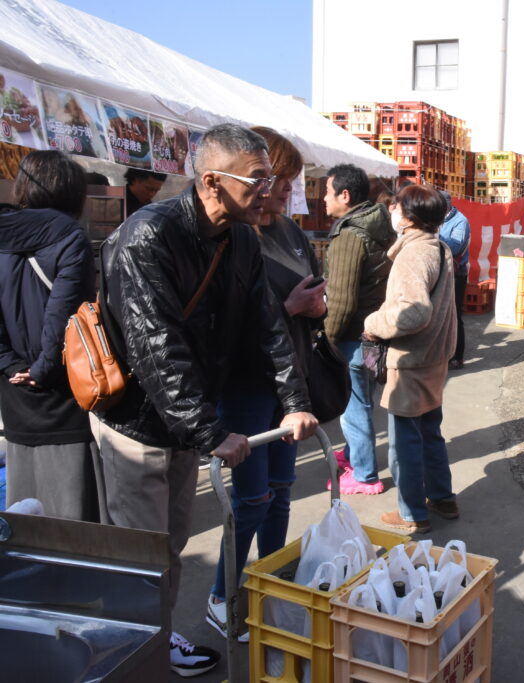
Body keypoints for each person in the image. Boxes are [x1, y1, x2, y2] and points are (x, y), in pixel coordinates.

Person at [92, 123, 318, 678]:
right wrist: (210, 432)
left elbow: (268, 325)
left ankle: (158, 642)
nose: (270, 190)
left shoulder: (240, 238)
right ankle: (130, 660)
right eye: (258, 179)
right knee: (138, 556)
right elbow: (156, 347)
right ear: (213, 181)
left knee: (169, 547)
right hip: (136, 424)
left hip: (181, 424)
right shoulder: (149, 236)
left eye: (273, 178)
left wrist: (294, 400)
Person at [206, 127, 327, 640]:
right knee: (250, 498)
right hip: (245, 384)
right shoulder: (235, 237)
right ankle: (221, 594)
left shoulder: (292, 232)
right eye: (273, 178)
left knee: (281, 492)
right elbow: (226, 322)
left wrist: (315, 308)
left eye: (288, 181)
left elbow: (314, 287)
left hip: (289, 381)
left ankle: (272, 580)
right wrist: (291, 307)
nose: (282, 189)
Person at [0, 150, 102, 522]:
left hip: (13, 390)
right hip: (64, 387)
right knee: (71, 510)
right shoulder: (70, 236)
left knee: (23, 509)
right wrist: (42, 369)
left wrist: (10, 363)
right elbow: (64, 315)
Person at [364, 184, 457, 535]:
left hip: (413, 359)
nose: (391, 211)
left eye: (395, 207)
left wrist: (374, 324)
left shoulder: (414, 253)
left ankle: (412, 511)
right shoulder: (437, 246)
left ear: (408, 217)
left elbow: (414, 313)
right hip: (433, 356)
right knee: (430, 431)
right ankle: (441, 497)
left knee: (405, 440)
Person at [323, 163, 395, 495]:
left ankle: (365, 474)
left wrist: (326, 338)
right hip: (374, 333)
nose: (324, 199)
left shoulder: (350, 234)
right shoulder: (379, 225)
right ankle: (355, 454)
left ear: (345, 195)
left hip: (353, 334)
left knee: (355, 407)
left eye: (328, 191)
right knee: (362, 400)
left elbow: (341, 300)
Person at [437, 191, 471, 370]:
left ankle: (458, 356)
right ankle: (443, 354)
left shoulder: (460, 221)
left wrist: (434, 237)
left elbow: (455, 248)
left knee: (455, 315)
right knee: (439, 315)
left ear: (447, 205)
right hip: (439, 272)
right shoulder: (435, 219)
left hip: (456, 275)